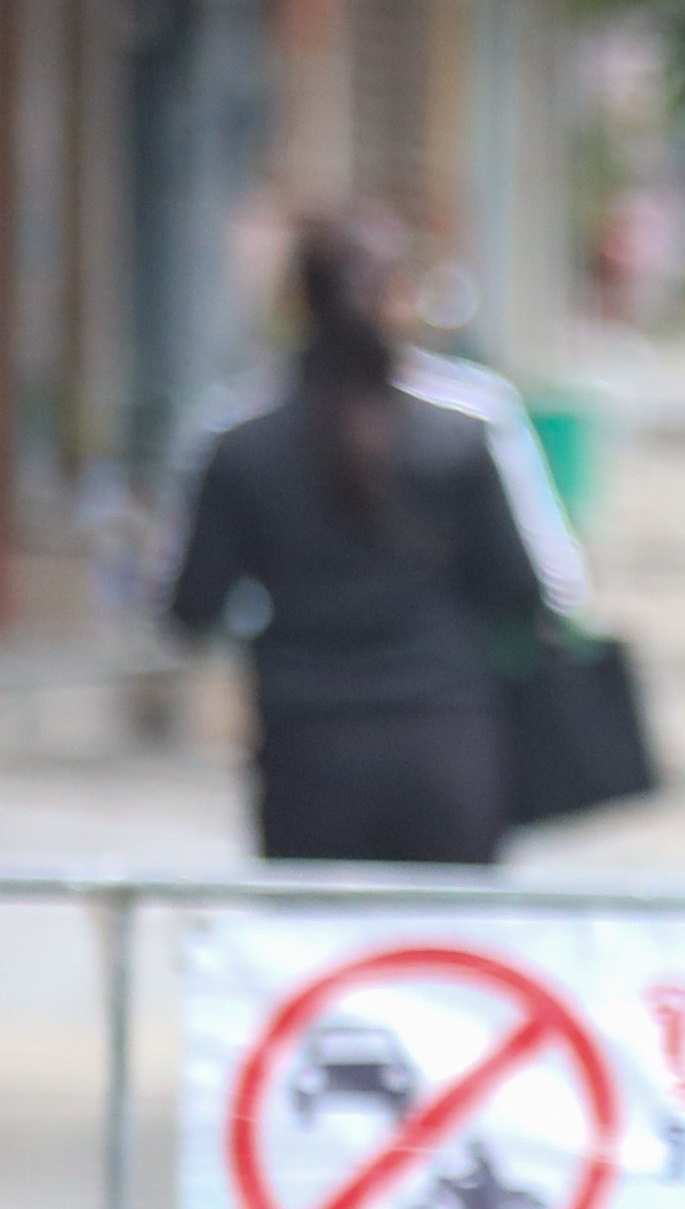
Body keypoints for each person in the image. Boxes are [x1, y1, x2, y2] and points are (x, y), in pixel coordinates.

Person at [165, 215, 559, 864]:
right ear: (403, 299)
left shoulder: (240, 439)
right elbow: (527, 588)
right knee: (443, 955)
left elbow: (192, 603)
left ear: (296, 303)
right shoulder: (465, 428)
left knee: (324, 946)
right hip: (448, 733)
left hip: (306, 742)